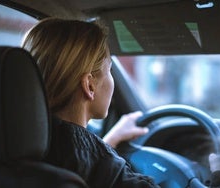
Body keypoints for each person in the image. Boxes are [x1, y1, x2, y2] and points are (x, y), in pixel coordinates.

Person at [22, 17, 158, 188]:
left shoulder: (14, 143)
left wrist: (109, 141)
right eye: (109, 70)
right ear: (89, 85)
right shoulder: (108, 172)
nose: (111, 78)